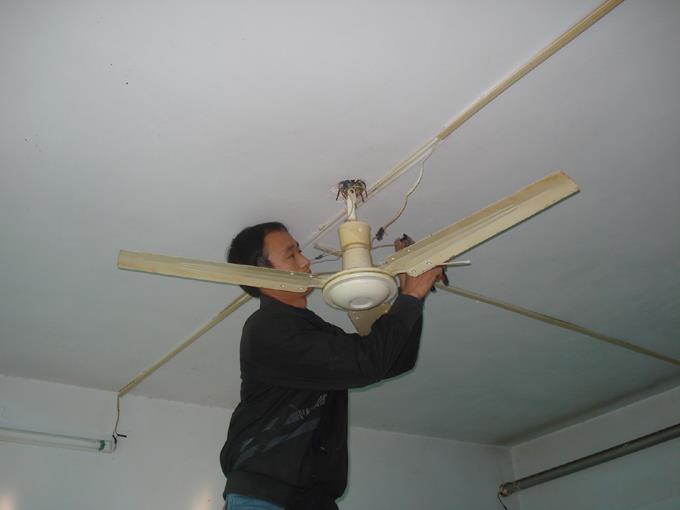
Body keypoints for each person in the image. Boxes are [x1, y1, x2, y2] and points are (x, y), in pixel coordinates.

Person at [220, 222, 443, 510]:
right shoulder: (266, 329)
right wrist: (410, 297)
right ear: (260, 273)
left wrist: (410, 294)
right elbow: (369, 362)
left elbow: (394, 361)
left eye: (300, 251)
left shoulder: (317, 332)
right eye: (291, 255)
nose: (305, 261)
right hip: (264, 496)